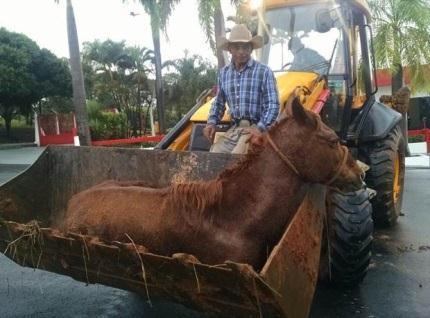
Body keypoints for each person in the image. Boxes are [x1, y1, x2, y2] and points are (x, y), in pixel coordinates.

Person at [203, 24, 280, 154]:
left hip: (257, 127)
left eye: (245, 47)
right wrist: (211, 123)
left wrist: (260, 128)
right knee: (214, 154)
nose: (241, 51)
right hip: (235, 129)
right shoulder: (224, 74)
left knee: (237, 157)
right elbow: (219, 103)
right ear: (230, 49)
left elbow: (273, 105)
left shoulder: (264, 71)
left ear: (251, 49)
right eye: (237, 47)